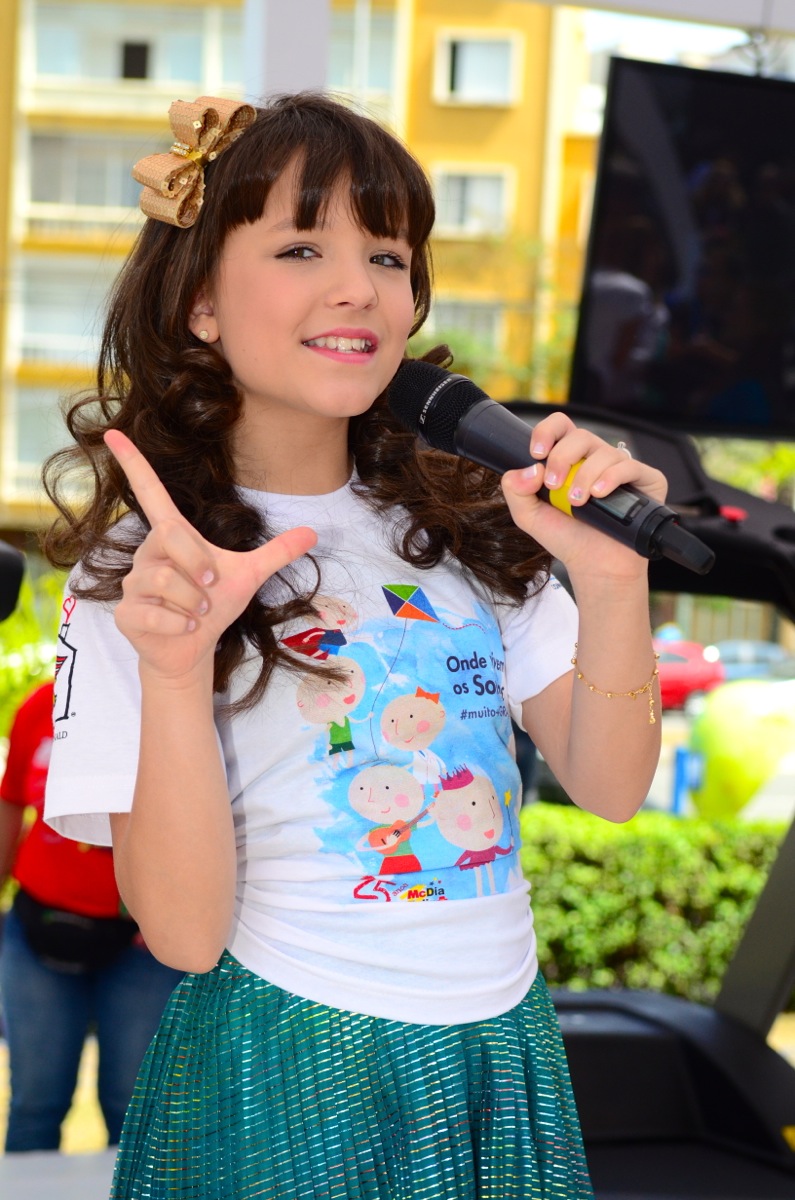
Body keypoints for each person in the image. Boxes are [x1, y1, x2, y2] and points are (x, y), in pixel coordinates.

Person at [41, 93, 665, 1199]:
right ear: (200, 303)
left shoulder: (470, 520)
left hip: (503, 1045)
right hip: (280, 1057)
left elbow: (612, 788)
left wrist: (615, 579)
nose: (358, 287)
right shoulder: (147, 573)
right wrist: (175, 674)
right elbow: (183, 936)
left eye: (387, 254)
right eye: (300, 248)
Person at [0, 680, 182, 1152]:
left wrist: (172, 911)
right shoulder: (42, 704)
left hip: (142, 943)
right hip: (37, 926)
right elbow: (10, 801)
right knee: (35, 1104)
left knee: (134, 1108)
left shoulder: (171, 702)